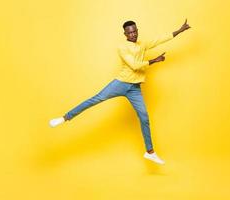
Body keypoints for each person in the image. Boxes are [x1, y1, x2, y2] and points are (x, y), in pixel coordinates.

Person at [49, 19, 191, 165]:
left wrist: (180, 30)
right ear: (125, 34)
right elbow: (135, 65)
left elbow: (159, 40)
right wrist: (154, 60)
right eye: (130, 32)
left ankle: (150, 152)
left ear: (137, 30)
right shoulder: (122, 47)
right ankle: (65, 117)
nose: (133, 34)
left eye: (135, 31)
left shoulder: (142, 44)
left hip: (135, 88)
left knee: (144, 118)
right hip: (121, 83)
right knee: (95, 99)